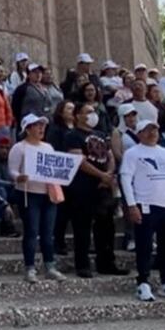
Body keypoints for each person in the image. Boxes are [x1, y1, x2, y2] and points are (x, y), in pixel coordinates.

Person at [119, 119, 165, 302]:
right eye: (147, 130)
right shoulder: (133, 153)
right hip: (145, 204)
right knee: (144, 246)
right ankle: (143, 282)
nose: (152, 134)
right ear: (140, 133)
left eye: (155, 130)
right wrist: (132, 204)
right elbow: (126, 178)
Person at [63, 102, 128, 278]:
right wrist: (101, 175)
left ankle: (107, 262)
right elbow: (79, 161)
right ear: (78, 115)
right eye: (88, 111)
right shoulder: (72, 136)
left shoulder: (101, 134)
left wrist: (108, 174)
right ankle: (82, 265)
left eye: (93, 111)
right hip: (83, 187)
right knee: (82, 227)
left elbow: (110, 156)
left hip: (103, 188)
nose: (93, 115)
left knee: (107, 227)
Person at [7, 114, 67, 283]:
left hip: (47, 193)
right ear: (27, 129)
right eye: (37, 126)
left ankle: (50, 266)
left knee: (48, 233)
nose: (41, 129)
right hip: (28, 193)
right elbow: (12, 170)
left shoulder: (48, 147)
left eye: (42, 126)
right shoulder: (19, 148)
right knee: (32, 231)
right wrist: (19, 177)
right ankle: (30, 268)